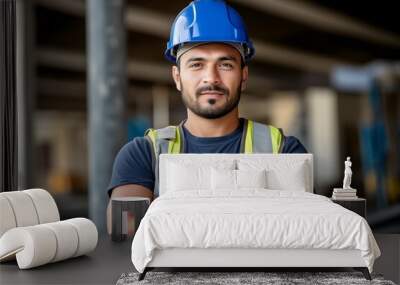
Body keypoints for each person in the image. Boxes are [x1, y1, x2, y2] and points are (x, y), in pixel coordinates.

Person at [106, 0, 307, 234]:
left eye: (225, 64)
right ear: (177, 76)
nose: (211, 78)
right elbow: (125, 232)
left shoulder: (284, 151)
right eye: (197, 64)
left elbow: (301, 232)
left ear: (243, 75)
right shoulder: (143, 155)